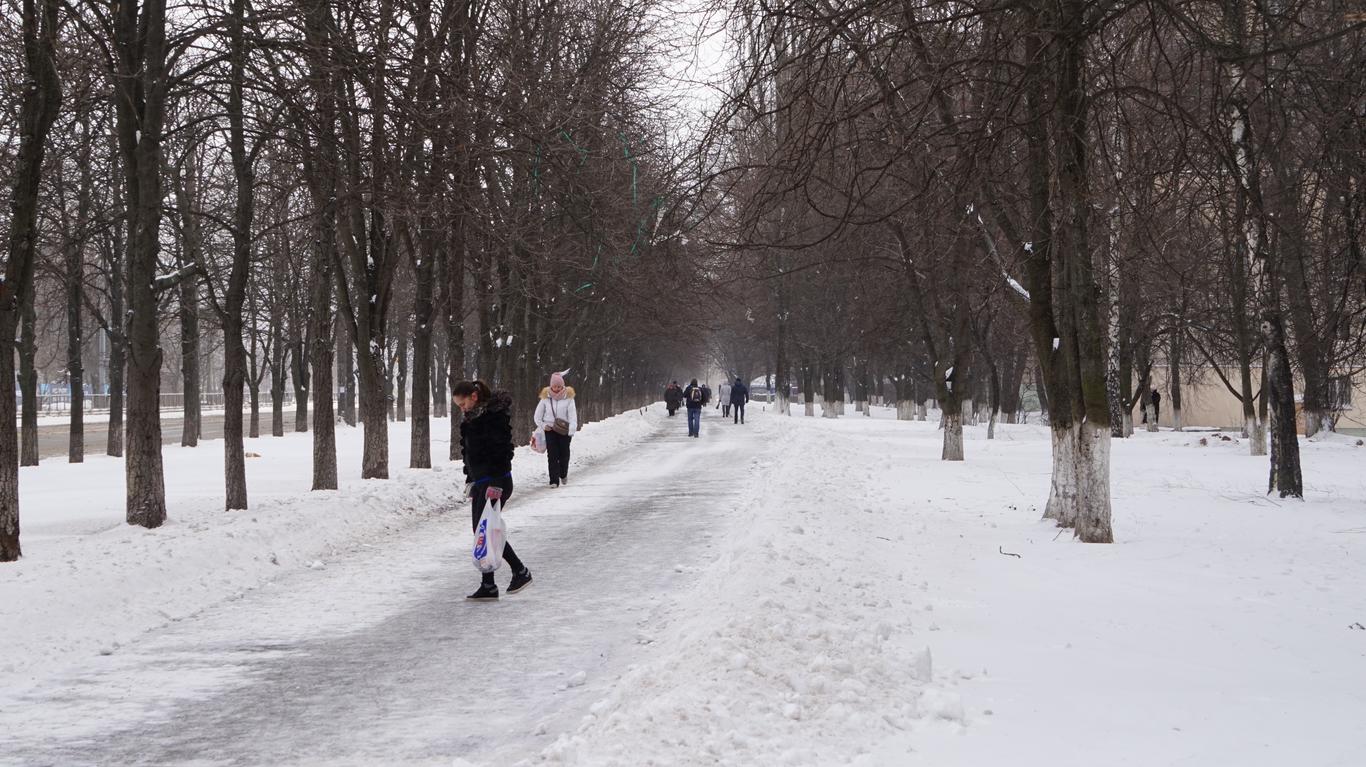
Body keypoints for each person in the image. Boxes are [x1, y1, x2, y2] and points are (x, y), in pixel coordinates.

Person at [453, 379, 532, 601]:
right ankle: (490, 584)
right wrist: (471, 480)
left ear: (474, 397)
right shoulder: (471, 420)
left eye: (462, 403)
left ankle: (519, 571)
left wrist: (495, 483)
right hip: (481, 483)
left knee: (487, 530)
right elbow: (469, 454)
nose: (462, 408)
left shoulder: (493, 417)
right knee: (483, 531)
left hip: (496, 481)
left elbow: (502, 451)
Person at [534, 372, 577, 488]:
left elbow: (573, 415)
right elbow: (537, 416)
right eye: (554, 386)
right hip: (550, 430)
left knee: (564, 454)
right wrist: (544, 426)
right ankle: (553, 480)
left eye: (559, 386)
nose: (557, 389)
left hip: (564, 430)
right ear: (551, 386)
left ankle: (563, 474)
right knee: (552, 455)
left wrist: (572, 430)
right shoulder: (545, 398)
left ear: (563, 386)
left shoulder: (569, 398)